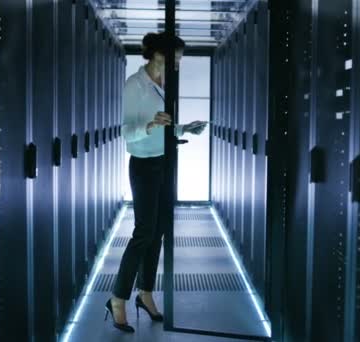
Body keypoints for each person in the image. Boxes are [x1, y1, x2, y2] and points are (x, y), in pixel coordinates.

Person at [103, 32, 207, 333]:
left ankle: (145, 293)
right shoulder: (134, 85)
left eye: (179, 61)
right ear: (156, 56)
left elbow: (165, 125)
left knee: (159, 231)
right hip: (144, 166)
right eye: (172, 60)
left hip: (164, 162)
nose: (176, 66)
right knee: (143, 233)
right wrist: (148, 125)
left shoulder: (165, 83)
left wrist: (182, 128)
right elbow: (126, 131)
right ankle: (118, 298)